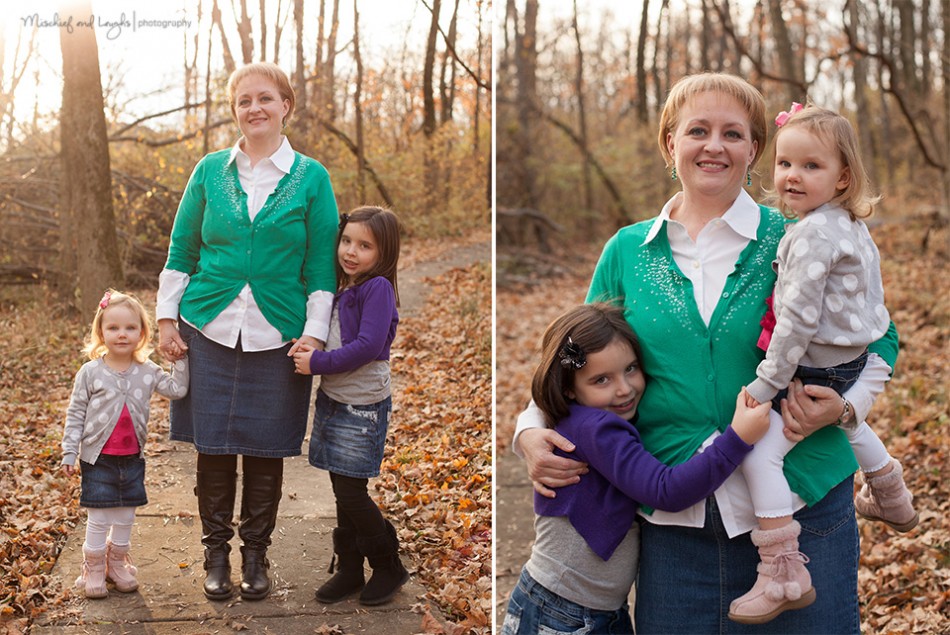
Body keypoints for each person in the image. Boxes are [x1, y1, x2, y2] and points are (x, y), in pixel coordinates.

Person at [514, 73, 899, 633]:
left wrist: (844, 409)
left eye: (733, 133)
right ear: (671, 144)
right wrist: (529, 431)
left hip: (803, 504)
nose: (714, 145)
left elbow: (878, 336)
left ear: (755, 151)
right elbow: (575, 358)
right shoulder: (628, 250)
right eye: (697, 130)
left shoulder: (805, 234)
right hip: (675, 523)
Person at [156, 62, 339, 601]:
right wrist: (167, 317)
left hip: (279, 335)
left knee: (265, 448)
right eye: (243, 101)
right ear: (234, 109)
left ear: (286, 105)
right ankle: (216, 554)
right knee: (212, 447)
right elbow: (182, 249)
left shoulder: (312, 178)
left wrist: (315, 334)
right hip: (207, 326)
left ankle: (256, 556)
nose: (254, 108)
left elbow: (321, 269)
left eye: (265, 98)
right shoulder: (210, 170)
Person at [729, 103, 917, 624]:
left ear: (842, 177)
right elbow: (872, 305)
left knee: (757, 456)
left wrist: (768, 383)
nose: (792, 176)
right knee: (850, 421)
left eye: (811, 166)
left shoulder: (811, 234)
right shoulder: (848, 226)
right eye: (785, 163)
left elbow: (795, 322)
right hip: (852, 361)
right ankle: (891, 492)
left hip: (817, 369)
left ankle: (783, 569)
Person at [501, 303, 771, 635]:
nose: (624, 388)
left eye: (630, 369)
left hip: (595, 609)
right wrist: (737, 440)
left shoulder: (585, 417)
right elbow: (665, 490)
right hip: (563, 611)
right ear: (569, 388)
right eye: (601, 380)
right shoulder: (598, 429)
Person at [291, 206, 409, 606]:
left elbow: (368, 347)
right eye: (346, 241)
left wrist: (317, 363)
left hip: (362, 404)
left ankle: (387, 563)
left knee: (351, 490)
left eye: (364, 245)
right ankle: (349, 568)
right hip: (336, 399)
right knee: (341, 487)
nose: (351, 251)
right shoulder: (347, 290)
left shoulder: (377, 289)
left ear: (384, 252)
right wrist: (310, 343)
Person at [62, 289, 189, 598]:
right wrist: (69, 450)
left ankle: (116, 564)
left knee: (125, 516)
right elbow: (76, 411)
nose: (122, 334)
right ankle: (92, 568)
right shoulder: (90, 373)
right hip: (97, 458)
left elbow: (177, 390)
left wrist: (180, 360)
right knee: (99, 515)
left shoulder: (147, 372)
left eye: (130, 328)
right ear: (101, 332)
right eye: (113, 327)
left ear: (142, 333)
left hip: (132, 458)